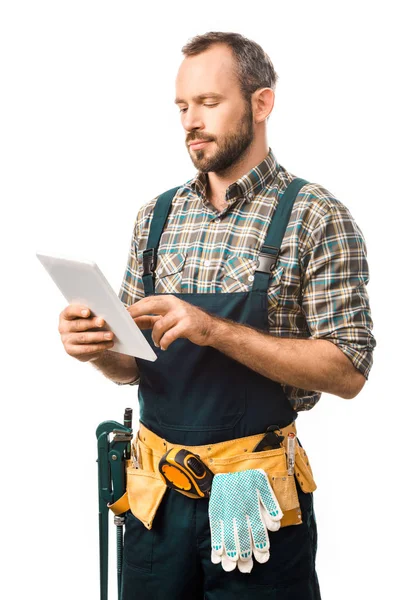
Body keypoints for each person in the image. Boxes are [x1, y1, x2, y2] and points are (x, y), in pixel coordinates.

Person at [58, 32, 376, 599]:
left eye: (208, 103)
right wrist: (99, 347)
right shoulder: (156, 216)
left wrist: (212, 330)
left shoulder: (315, 216)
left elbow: (348, 369)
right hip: (155, 499)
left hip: (252, 496)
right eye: (182, 107)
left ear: (261, 103)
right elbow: (134, 365)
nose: (190, 121)